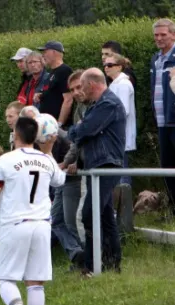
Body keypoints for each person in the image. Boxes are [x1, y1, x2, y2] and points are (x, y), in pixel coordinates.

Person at [0, 117, 65, 305]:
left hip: (15, 224)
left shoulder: (6, 160)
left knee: (6, 278)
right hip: (42, 225)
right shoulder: (46, 160)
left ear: (15, 135)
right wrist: (49, 150)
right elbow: (60, 180)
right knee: (36, 282)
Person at [68, 68, 126, 274]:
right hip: (99, 165)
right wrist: (80, 129)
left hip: (106, 165)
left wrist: (78, 129)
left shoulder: (107, 103)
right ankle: (111, 264)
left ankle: (92, 265)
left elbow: (84, 131)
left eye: (82, 85)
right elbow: (82, 132)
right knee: (105, 216)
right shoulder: (97, 105)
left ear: (91, 84)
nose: (80, 90)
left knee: (89, 214)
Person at [150, 18, 175, 213]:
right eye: (156, 35)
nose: (159, 38)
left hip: (174, 119)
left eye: (163, 34)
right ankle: (173, 208)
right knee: (167, 166)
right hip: (162, 121)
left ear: (173, 35)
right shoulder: (155, 59)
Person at [105, 54, 137, 185]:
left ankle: (124, 204)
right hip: (114, 134)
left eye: (110, 65)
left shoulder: (123, 84)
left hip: (119, 134)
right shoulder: (115, 84)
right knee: (117, 170)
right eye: (105, 65)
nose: (106, 68)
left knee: (121, 171)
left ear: (119, 67)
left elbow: (124, 110)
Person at [34, 41, 74, 127]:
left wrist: (59, 124)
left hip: (56, 127)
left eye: (45, 52)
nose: (43, 55)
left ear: (54, 52)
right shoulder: (52, 72)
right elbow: (54, 93)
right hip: (48, 125)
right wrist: (41, 95)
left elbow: (68, 99)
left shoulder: (64, 71)